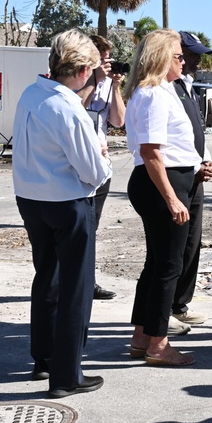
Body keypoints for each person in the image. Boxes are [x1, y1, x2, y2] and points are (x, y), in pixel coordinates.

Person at [12, 29, 112, 397]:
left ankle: (44, 358)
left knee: (48, 277)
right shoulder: (68, 106)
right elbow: (93, 171)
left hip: (31, 198)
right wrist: (104, 161)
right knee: (77, 286)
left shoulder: (32, 93)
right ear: (85, 70)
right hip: (68, 202)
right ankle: (67, 375)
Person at [125, 29, 201, 367]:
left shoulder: (163, 91)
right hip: (163, 183)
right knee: (169, 266)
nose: (184, 61)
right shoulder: (153, 93)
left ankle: (142, 337)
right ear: (160, 58)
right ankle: (159, 344)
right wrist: (172, 198)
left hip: (170, 179)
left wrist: (199, 163)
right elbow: (151, 151)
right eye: (178, 56)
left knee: (158, 265)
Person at [167, 31, 212, 335]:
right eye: (189, 53)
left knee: (191, 244)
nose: (195, 60)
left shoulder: (189, 87)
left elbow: (196, 131)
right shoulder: (164, 88)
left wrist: (206, 159)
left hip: (195, 175)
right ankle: (163, 311)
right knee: (170, 251)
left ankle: (179, 306)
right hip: (176, 176)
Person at [78, 34, 126, 301]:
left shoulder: (107, 83)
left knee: (92, 225)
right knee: (78, 226)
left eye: (109, 58)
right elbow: (76, 108)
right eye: (103, 58)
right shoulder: (76, 82)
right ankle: (71, 280)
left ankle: (88, 281)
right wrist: (94, 80)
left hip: (101, 163)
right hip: (78, 161)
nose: (108, 63)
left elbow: (118, 121)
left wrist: (115, 86)